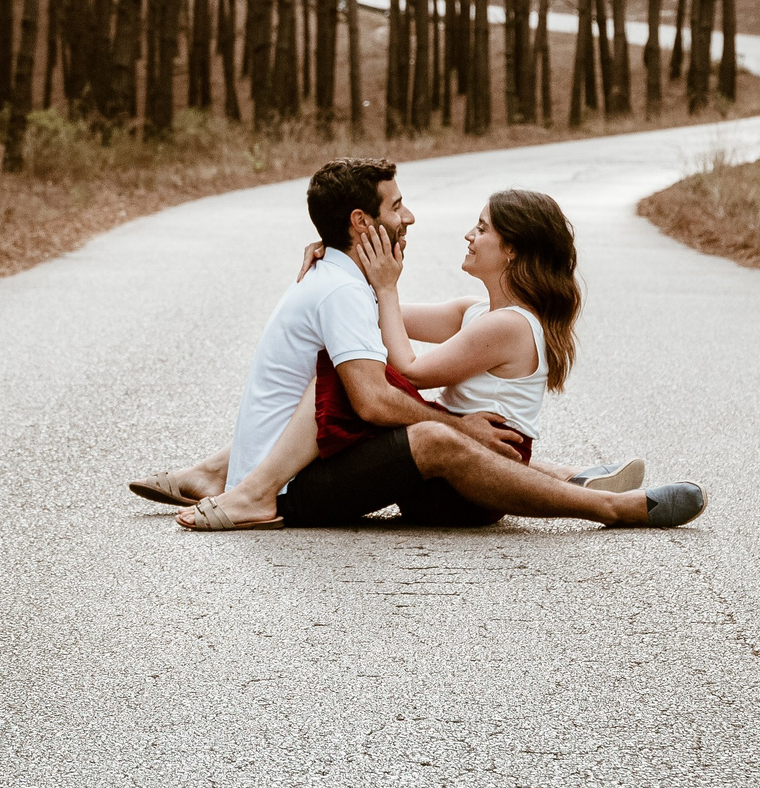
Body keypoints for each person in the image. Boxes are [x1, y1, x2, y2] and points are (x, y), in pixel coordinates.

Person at [130, 158, 705, 532]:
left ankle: (611, 506)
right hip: (454, 462)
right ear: (362, 222)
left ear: (511, 250)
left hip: (475, 476)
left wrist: (376, 283)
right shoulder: (470, 309)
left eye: (482, 228)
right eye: (397, 207)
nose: (463, 232)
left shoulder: (506, 325)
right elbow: (373, 326)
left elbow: (404, 365)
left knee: (383, 394)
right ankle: (579, 477)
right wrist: (339, 257)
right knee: (362, 373)